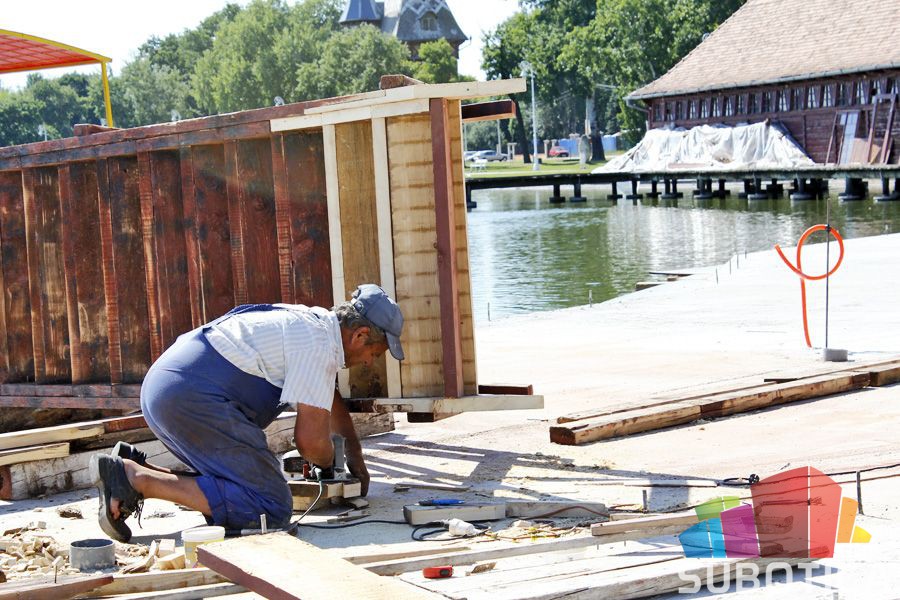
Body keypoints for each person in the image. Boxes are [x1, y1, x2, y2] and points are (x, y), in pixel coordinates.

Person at [89, 283, 404, 542]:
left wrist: (355, 457)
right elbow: (310, 443)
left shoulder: (313, 324)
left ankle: (132, 469)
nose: (369, 362)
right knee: (270, 506)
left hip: (164, 388)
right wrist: (328, 465)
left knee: (236, 482)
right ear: (360, 335)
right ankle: (136, 479)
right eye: (374, 354)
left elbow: (328, 399)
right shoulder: (320, 346)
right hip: (190, 398)